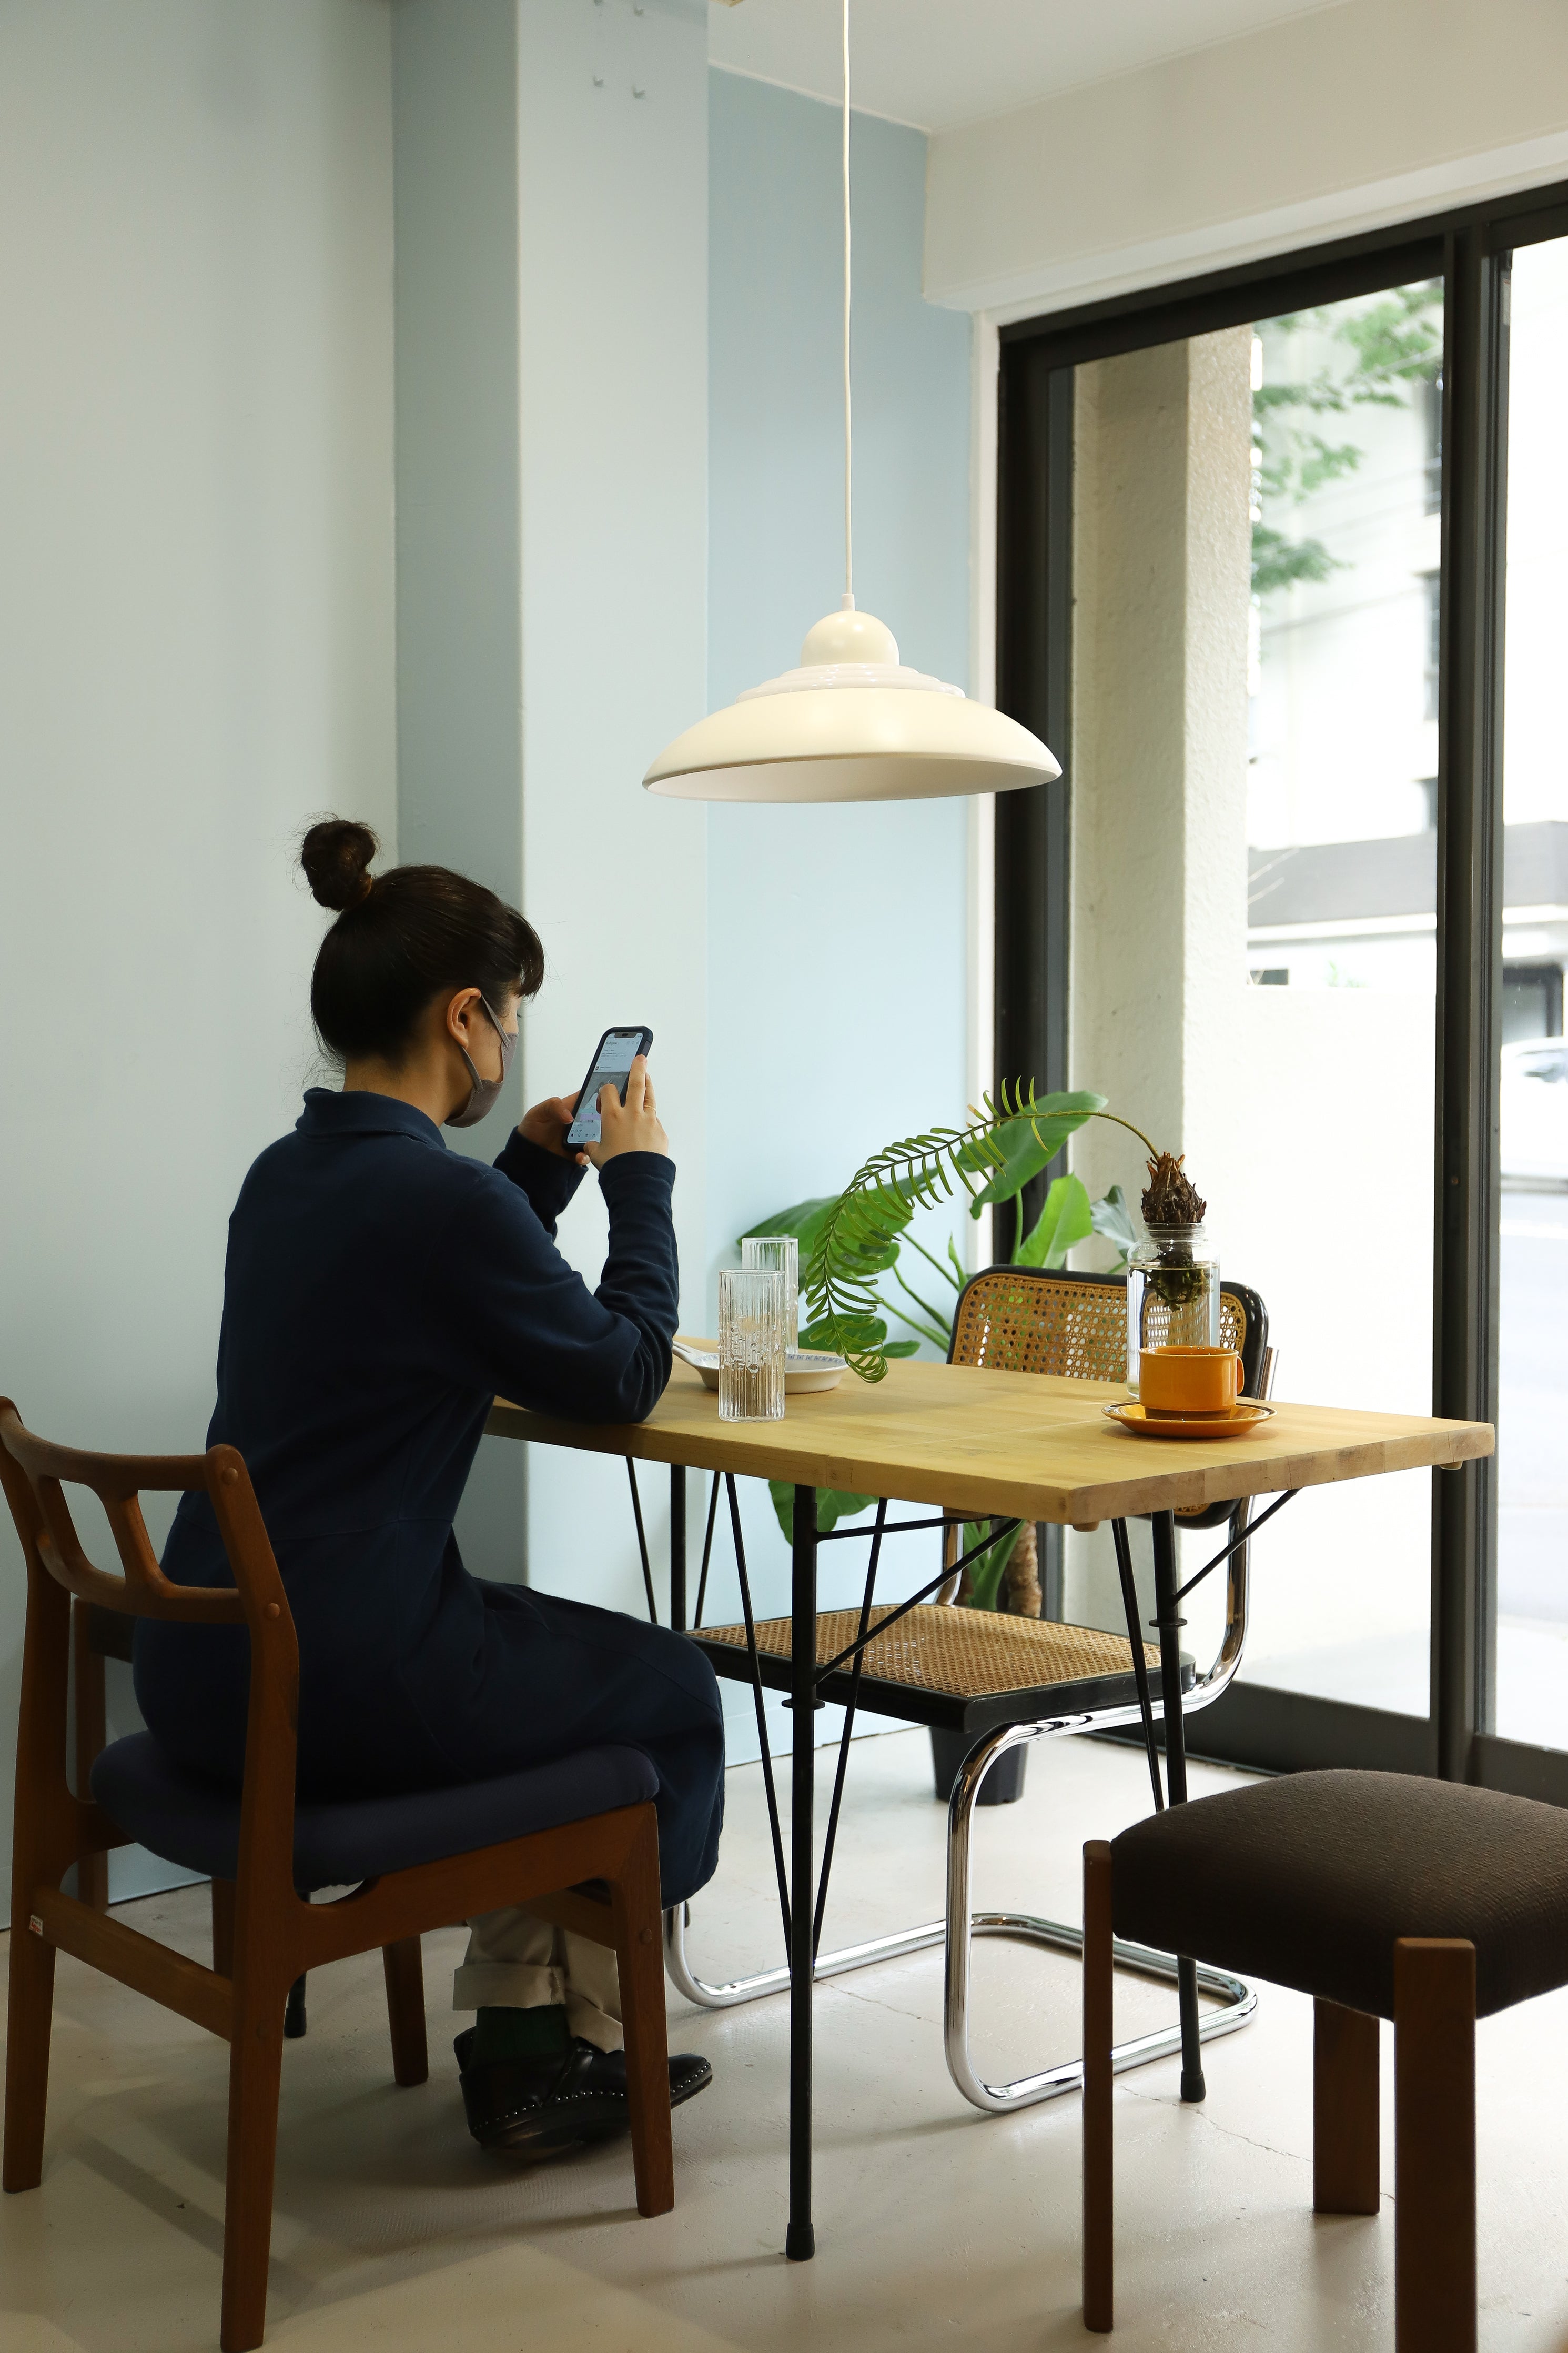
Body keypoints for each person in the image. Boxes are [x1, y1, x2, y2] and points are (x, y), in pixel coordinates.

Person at [135, 818, 722, 2159]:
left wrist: (528, 1169)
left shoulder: (286, 1176)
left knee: (557, 1664)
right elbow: (623, 1370)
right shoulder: (436, 1207)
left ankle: (528, 2029)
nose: (509, 1043)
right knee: (671, 1695)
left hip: (207, 1660)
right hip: (341, 1676)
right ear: (466, 1015)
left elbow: (421, 1277)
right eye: (508, 1018)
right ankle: (565, 2049)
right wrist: (640, 1183)